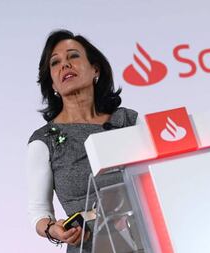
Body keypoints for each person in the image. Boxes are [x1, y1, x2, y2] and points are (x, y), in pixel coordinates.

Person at [26, 30, 138, 253]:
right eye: (55, 63)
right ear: (54, 85)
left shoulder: (128, 120)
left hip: (147, 237)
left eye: (73, 56)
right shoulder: (44, 140)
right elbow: (39, 212)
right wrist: (52, 229)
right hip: (91, 246)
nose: (65, 65)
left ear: (95, 69)